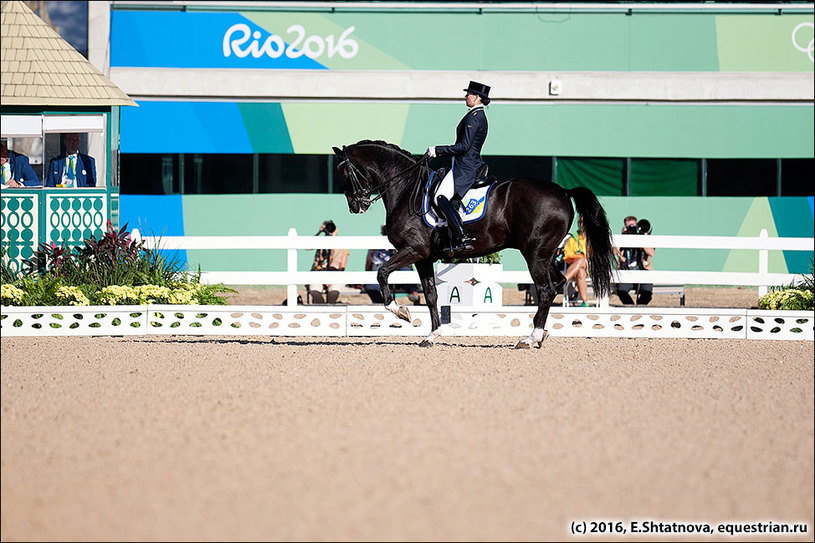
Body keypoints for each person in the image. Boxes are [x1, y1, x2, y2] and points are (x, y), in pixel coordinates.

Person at [425, 81, 490, 254]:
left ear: (477, 97)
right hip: (464, 164)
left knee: (439, 196)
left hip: (465, 167)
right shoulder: (476, 115)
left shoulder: (474, 117)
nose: (465, 96)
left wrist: (437, 150)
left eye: (468, 94)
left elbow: (463, 146)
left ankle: (462, 237)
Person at [364, 224, 421, 305]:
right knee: (371, 285)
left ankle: (414, 294)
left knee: (407, 273)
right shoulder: (376, 244)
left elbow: (408, 261)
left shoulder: (399, 242)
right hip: (380, 268)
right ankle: (379, 303)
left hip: (398, 268)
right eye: (385, 231)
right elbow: (369, 261)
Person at [614, 215, 655, 305]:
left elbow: (651, 253)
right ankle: (630, 308)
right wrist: (623, 237)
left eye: (633, 226)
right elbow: (613, 251)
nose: (631, 229)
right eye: (628, 226)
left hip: (643, 272)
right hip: (627, 273)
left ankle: (640, 308)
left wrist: (639, 239)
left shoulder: (644, 238)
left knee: (647, 292)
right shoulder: (623, 239)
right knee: (621, 290)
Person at [309, 219, 349, 304]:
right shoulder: (320, 242)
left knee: (334, 289)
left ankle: (330, 307)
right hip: (319, 273)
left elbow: (342, 267)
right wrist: (319, 232)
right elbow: (307, 246)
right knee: (314, 289)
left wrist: (332, 279)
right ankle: (322, 307)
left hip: (335, 274)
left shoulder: (342, 245)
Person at [562, 216, 590, 307]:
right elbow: (567, 256)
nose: (582, 225)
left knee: (582, 260)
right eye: (580, 223)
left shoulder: (591, 239)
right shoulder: (573, 238)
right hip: (575, 268)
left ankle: (563, 280)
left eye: (584, 222)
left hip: (590, 268)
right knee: (581, 273)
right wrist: (577, 258)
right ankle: (585, 302)